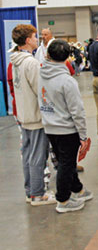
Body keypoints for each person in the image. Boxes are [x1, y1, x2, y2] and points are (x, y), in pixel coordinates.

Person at [38, 40, 93, 213]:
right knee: (66, 164)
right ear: (68, 57)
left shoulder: (40, 74)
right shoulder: (67, 81)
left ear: (48, 55)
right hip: (66, 130)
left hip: (50, 127)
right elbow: (77, 111)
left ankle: (78, 189)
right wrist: (83, 136)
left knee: (65, 162)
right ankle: (63, 200)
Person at [10, 24, 55, 205]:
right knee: (38, 156)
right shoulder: (31, 63)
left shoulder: (15, 61)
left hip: (23, 114)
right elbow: (41, 90)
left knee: (28, 155)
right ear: (28, 40)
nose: (38, 39)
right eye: (36, 37)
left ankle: (30, 191)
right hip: (35, 117)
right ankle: (38, 193)